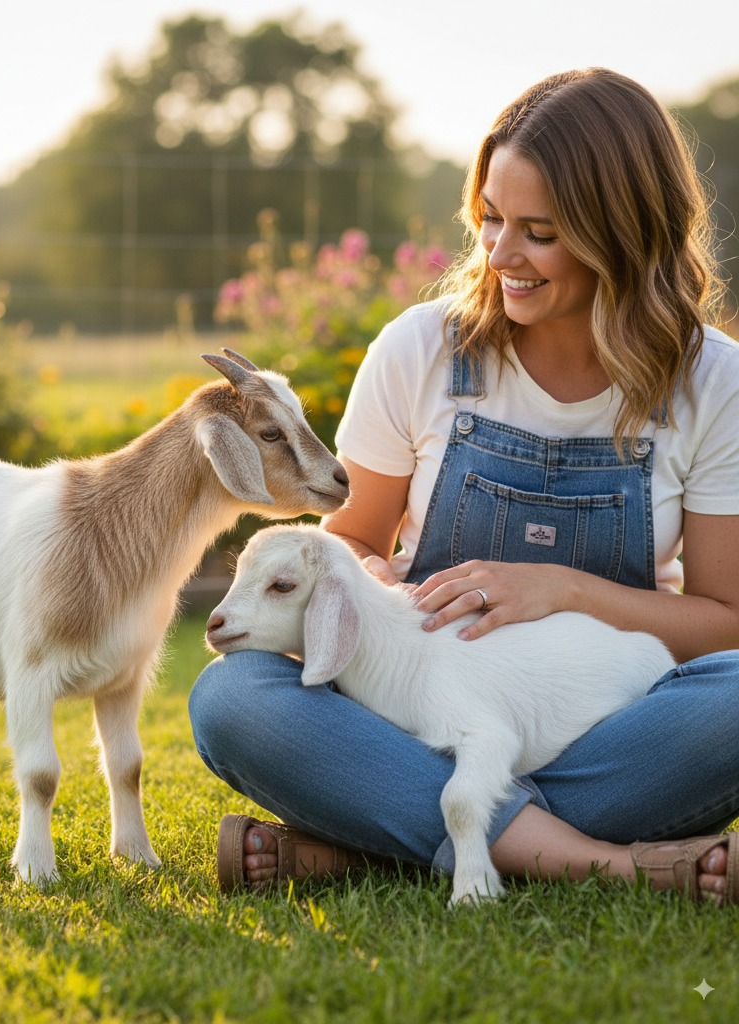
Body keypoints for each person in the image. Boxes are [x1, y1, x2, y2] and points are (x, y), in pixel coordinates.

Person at [188, 67, 739, 904]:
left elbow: (723, 627)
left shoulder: (714, 383)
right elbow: (356, 545)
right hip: (415, 712)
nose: (500, 255)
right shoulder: (420, 352)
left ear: (621, 232)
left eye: (539, 232)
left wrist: (560, 590)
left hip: (596, 722)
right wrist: (372, 590)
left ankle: (375, 844)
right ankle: (602, 862)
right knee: (235, 700)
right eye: (488, 220)